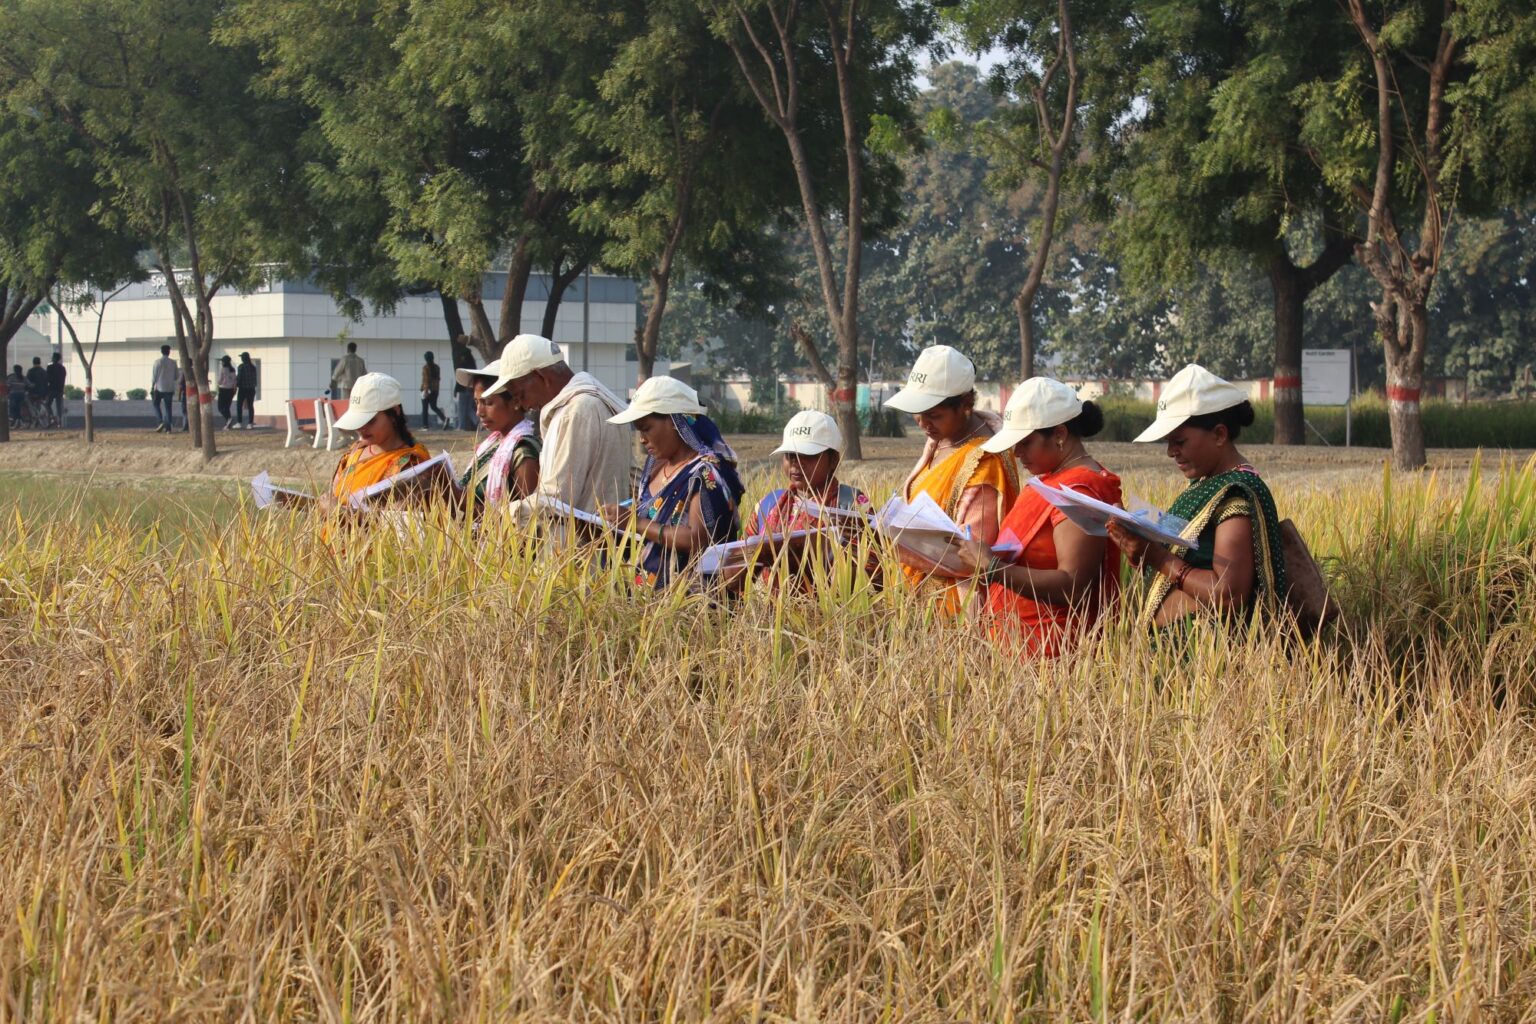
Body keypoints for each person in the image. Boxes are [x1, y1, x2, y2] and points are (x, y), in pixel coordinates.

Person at [910, 379, 1123, 655]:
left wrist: (993, 567)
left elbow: (1073, 585)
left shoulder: (1079, 491)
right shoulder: (1050, 480)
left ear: (1059, 433)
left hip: (1052, 652)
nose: (1017, 453)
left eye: (1025, 443)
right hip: (1019, 647)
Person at [1107, 364, 1287, 629]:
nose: (1171, 452)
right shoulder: (1204, 485)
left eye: (1179, 442)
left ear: (1219, 434)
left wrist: (1155, 556)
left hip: (1210, 657)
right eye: (1168, 442)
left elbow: (1228, 595)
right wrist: (1135, 534)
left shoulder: (1235, 494)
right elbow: (1182, 545)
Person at [886, 344, 1020, 612]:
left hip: (954, 606)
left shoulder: (984, 462)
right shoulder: (942, 440)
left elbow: (971, 556)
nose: (922, 423)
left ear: (966, 405)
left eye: (933, 415)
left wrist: (898, 543)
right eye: (917, 413)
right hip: (916, 593)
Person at [600, 376, 745, 589]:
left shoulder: (705, 474)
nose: (641, 438)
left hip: (693, 607)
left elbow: (697, 539)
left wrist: (635, 523)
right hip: (649, 600)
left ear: (675, 422)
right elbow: (648, 527)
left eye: (646, 428)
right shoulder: (657, 468)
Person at [482, 333, 630, 516]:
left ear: (540, 376)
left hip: (584, 541)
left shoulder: (575, 412)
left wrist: (502, 516)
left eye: (521, 395)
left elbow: (556, 499)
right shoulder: (601, 401)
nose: (523, 405)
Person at [731, 409, 873, 589]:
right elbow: (737, 571)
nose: (796, 464)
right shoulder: (768, 505)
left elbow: (875, 578)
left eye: (808, 456)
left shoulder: (852, 506)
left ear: (833, 460)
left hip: (831, 615)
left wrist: (819, 558)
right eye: (790, 456)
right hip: (772, 615)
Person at [326, 373, 432, 506]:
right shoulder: (355, 452)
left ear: (394, 412)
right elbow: (332, 495)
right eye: (358, 421)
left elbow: (400, 521)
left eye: (370, 421)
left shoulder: (411, 464)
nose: (361, 428)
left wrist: (339, 514)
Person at [456, 359, 541, 511]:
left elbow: (526, 520)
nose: (479, 412)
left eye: (488, 403)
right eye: (477, 403)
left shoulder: (524, 452)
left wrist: (456, 498)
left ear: (515, 402)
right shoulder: (493, 444)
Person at [150, 345, 177, 433]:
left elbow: (154, 376)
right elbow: (176, 376)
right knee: (168, 408)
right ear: (169, 352)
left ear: (161, 352)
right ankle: (168, 428)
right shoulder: (173, 363)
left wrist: (152, 386)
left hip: (159, 388)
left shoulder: (157, 362)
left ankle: (160, 421)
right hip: (169, 388)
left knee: (156, 404)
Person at [452, 342, 477, 431]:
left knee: (461, 409)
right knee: (469, 408)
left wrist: (455, 390)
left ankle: (461, 426)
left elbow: (459, 380)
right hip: (471, 390)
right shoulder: (473, 366)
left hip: (462, 389)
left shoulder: (462, 365)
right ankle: (477, 421)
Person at [419, 351, 448, 430]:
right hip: (435, 390)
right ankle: (444, 419)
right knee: (433, 406)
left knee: (425, 408)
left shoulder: (426, 368)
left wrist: (425, 390)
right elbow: (437, 379)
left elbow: (426, 380)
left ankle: (425, 426)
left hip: (427, 390)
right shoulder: (437, 367)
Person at [234, 352, 258, 429]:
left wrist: (236, 385)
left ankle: (239, 422)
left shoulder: (241, 367)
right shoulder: (253, 367)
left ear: (243, 359)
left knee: (239, 405)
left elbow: (239, 378)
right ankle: (250, 423)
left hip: (242, 389)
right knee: (250, 406)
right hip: (251, 389)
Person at [216, 355, 237, 429]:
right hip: (231, 390)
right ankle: (228, 424)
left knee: (220, 407)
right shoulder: (233, 369)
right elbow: (235, 380)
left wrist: (218, 384)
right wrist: (235, 389)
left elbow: (220, 380)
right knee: (227, 407)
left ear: (224, 362)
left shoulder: (223, 369)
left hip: (223, 389)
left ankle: (228, 418)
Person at [45, 353, 66, 426]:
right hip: (60, 389)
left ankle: (51, 418)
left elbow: (47, 378)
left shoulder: (50, 367)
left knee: (47, 404)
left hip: (51, 389)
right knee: (58, 406)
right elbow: (63, 379)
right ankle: (59, 421)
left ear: (54, 358)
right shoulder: (62, 368)